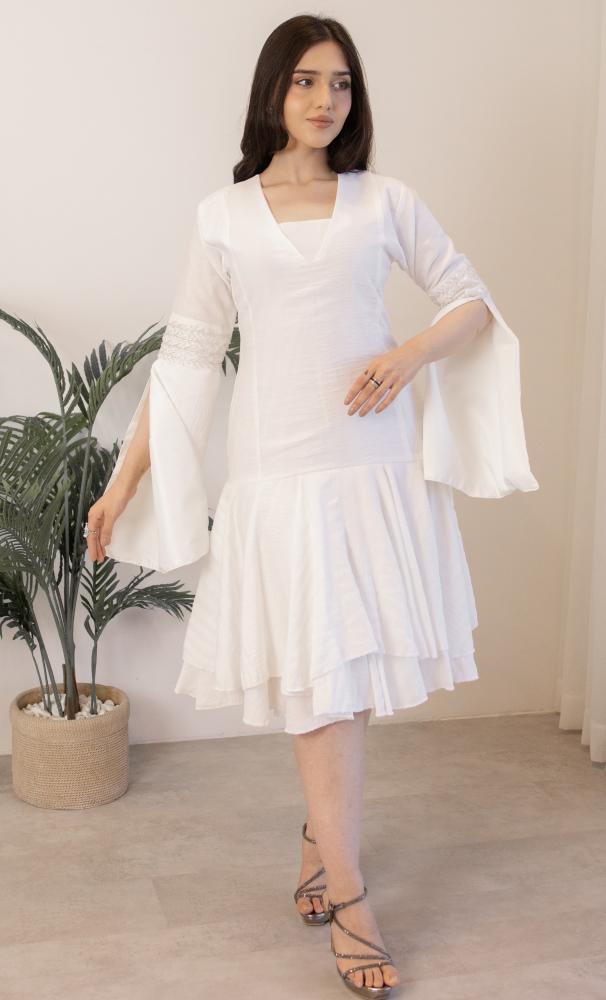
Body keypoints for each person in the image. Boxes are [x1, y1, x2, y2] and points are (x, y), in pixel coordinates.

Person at [84, 14, 539, 997]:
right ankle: (352, 895)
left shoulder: (384, 201)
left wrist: (406, 357)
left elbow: (470, 302)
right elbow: (186, 362)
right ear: (272, 92)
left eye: (340, 82)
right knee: (319, 682)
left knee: (347, 674)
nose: (325, 99)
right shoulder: (224, 216)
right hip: (278, 474)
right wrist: (124, 484)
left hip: (373, 467)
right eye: (305, 81)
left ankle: (319, 844)